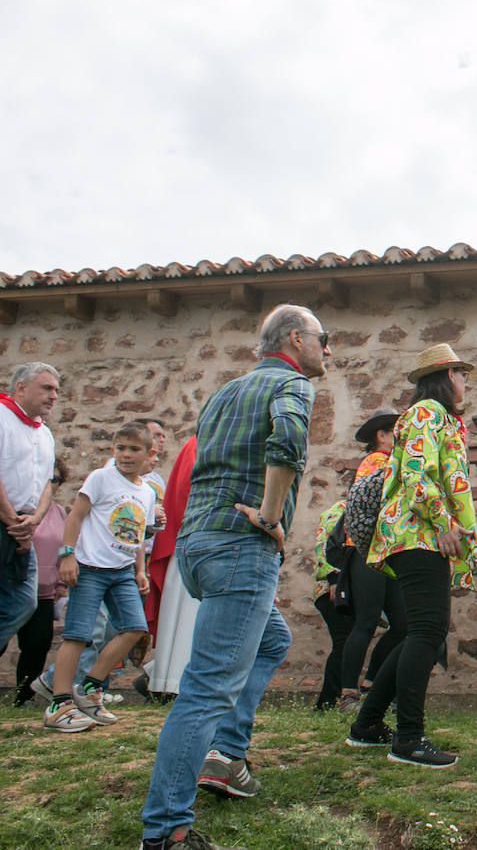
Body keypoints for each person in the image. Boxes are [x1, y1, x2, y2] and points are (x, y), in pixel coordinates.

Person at [141, 303, 329, 850]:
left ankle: (226, 754)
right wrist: (271, 517)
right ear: (296, 339)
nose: (328, 349)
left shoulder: (225, 391)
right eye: (324, 338)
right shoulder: (293, 386)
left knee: (274, 638)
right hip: (240, 545)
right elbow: (287, 446)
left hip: (198, 547)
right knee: (204, 691)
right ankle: (168, 830)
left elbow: (199, 464)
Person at [347, 346, 477, 768]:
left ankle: (367, 726)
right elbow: (416, 474)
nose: (466, 381)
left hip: (421, 534)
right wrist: (443, 522)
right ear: (444, 375)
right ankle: (408, 739)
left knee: (419, 632)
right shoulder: (426, 413)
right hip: (418, 534)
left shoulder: (440, 419)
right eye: (461, 372)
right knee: (427, 632)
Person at [45, 422, 156, 732]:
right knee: (78, 635)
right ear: (112, 451)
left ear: (149, 454)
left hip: (121, 573)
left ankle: (90, 688)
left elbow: (136, 535)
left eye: (134, 449)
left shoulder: (145, 492)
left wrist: (140, 570)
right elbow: (76, 515)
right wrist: (67, 554)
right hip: (90, 568)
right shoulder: (101, 478)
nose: (126, 454)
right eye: (120, 448)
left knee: (134, 628)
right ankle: (59, 703)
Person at [337, 409, 407, 713]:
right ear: (382, 435)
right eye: (397, 433)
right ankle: (348, 693)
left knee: (403, 625)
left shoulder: (386, 462)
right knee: (365, 622)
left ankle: (373, 682)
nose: (402, 438)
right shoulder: (377, 462)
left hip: (385, 551)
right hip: (366, 550)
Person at [0, 362, 59, 650]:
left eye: (56, 390)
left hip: (23, 526)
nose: (54, 396)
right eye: (47, 388)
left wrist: (33, 521)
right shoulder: (1, 418)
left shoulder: (44, 433)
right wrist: (13, 521)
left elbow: (48, 483)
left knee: (24, 602)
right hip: (6, 522)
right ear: (21, 387)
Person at [139, 436, 200, 700]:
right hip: (195, 541)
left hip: (194, 542)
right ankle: (171, 680)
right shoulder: (201, 443)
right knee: (187, 617)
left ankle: (162, 675)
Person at [10, 459, 67, 705]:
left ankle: (22, 698)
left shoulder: (60, 513)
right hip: (14, 588)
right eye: (46, 478)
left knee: (37, 645)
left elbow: (62, 551)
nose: (50, 484)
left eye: (55, 479)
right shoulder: (18, 507)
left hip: (43, 593)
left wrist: (59, 587)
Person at [311, 496, 349, 711]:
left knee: (348, 639)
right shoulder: (339, 510)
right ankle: (326, 701)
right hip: (330, 588)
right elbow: (325, 545)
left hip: (343, 588)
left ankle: (336, 698)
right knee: (344, 640)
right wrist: (334, 579)